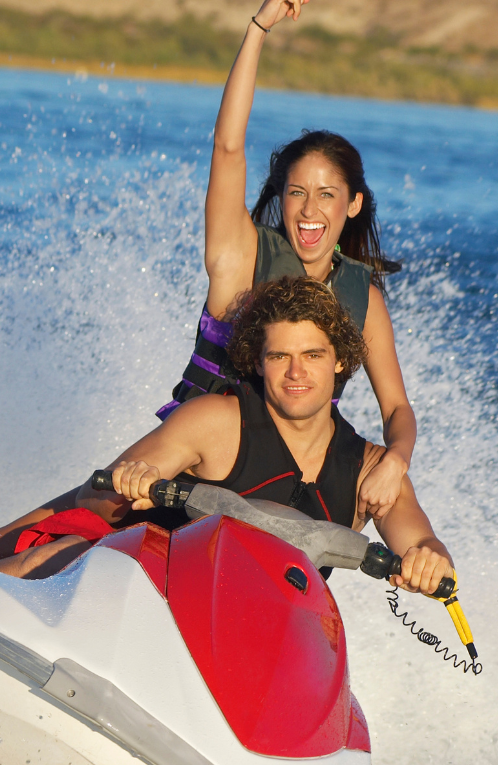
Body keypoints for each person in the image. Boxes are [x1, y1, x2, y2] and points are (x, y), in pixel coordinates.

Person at [0, 277, 452, 595]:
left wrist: (430, 561)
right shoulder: (216, 420)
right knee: (1, 552)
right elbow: (94, 499)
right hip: (138, 576)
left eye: (312, 356)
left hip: (250, 626)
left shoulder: (371, 471)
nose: (296, 373)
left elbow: (420, 541)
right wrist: (134, 480)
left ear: (340, 364)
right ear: (258, 364)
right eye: (279, 357)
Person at [159, 0, 415, 523]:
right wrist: (258, 28)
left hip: (289, 494)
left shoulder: (359, 297)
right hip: (192, 473)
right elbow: (228, 148)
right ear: (281, 197)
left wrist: (397, 461)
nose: (310, 210)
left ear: (354, 204)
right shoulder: (242, 256)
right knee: (21, 538)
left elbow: (396, 410)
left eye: (327, 194)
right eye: (297, 192)